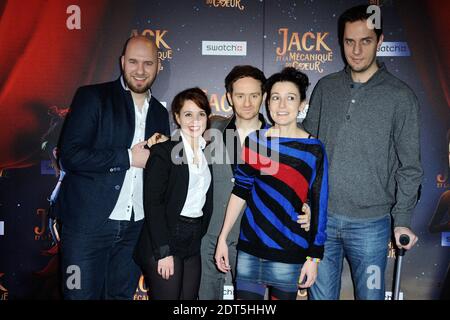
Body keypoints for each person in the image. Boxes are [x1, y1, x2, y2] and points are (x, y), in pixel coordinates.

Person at [303, 4, 423, 300]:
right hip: (322, 223)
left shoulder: (401, 96)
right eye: (349, 41)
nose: (356, 50)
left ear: (380, 41)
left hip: (371, 227)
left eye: (366, 41)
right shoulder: (326, 87)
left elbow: (410, 167)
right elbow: (307, 149)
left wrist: (403, 218)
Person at [57, 35, 170, 300]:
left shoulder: (159, 113)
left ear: (157, 66)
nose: (140, 70)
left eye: (148, 63)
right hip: (88, 227)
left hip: (135, 228)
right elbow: (70, 156)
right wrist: (128, 158)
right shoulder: (93, 97)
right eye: (133, 62)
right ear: (122, 62)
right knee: (78, 296)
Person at [199, 65, 311, 300]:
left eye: (254, 95)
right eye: (240, 95)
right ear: (229, 97)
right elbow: (179, 148)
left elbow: (299, 184)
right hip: (211, 236)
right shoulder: (212, 130)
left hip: (256, 241)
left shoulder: (280, 139)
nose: (247, 102)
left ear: (264, 97)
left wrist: (307, 206)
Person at [134, 88, 213, 300]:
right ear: (177, 117)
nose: (195, 120)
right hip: (164, 239)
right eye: (188, 114)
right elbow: (153, 203)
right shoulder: (163, 152)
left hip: (192, 242)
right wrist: (163, 251)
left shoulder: (208, 155)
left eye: (201, 114)